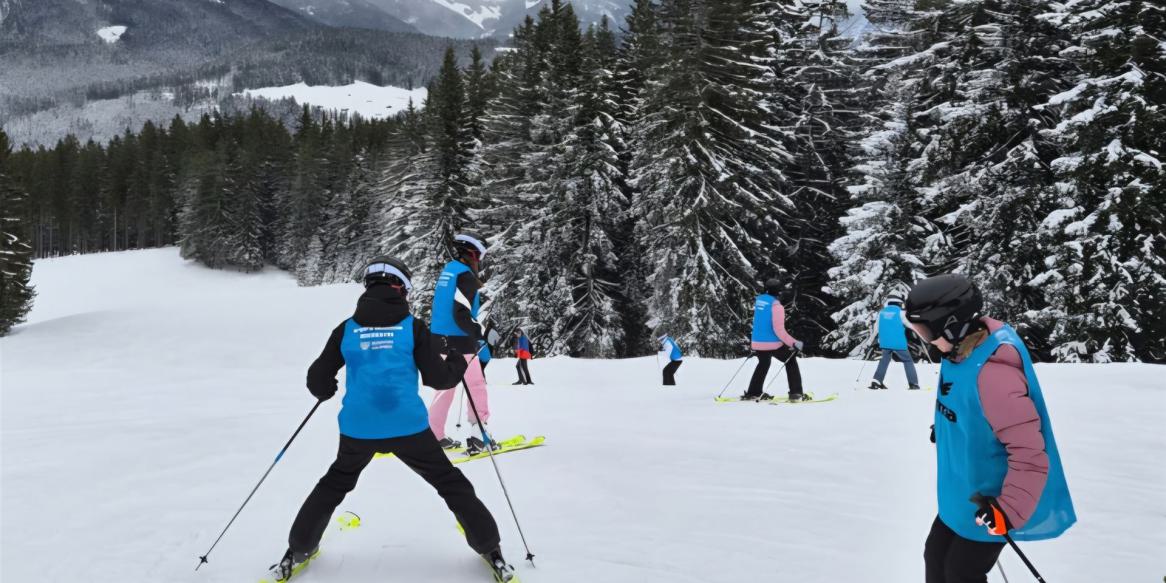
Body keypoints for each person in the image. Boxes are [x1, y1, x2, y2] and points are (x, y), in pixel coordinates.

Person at [269, 256, 516, 583]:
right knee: (450, 483)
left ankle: (299, 548)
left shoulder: (346, 329)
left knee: (334, 484)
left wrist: (326, 386)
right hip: (407, 427)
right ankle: (489, 547)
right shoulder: (412, 327)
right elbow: (439, 379)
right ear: (401, 288)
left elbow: (317, 380)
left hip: (358, 429)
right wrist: (457, 361)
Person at [905, 274, 1075, 583]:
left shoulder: (995, 375)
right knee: (936, 556)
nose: (923, 340)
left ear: (952, 325)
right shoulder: (960, 352)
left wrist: (1006, 510)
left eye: (926, 331)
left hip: (992, 500)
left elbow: (1030, 455)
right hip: (962, 492)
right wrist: (948, 426)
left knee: (961, 572)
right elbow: (970, 405)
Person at [428, 231, 494, 455]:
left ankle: (433, 435)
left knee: (445, 387)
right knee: (475, 385)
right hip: (460, 341)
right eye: (480, 256)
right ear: (473, 253)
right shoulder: (465, 275)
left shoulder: (449, 271)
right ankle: (479, 436)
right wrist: (479, 334)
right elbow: (461, 313)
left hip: (439, 339)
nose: (480, 261)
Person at [743, 278, 807, 401]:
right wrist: (794, 343)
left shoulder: (760, 302)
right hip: (771, 343)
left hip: (757, 342)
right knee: (790, 360)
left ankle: (753, 392)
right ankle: (796, 394)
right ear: (779, 292)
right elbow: (779, 331)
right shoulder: (777, 306)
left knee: (764, 363)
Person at [869, 292, 921, 390]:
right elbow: (910, 325)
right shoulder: (900, 313)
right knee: (908, 360)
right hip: (898, 343)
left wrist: (870, 341)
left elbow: (876, 329)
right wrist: (920, 332)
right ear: (899, 302)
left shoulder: (881, 312)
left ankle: (876, 381)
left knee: (884, 361)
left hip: (885, 342)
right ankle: (913, 384)